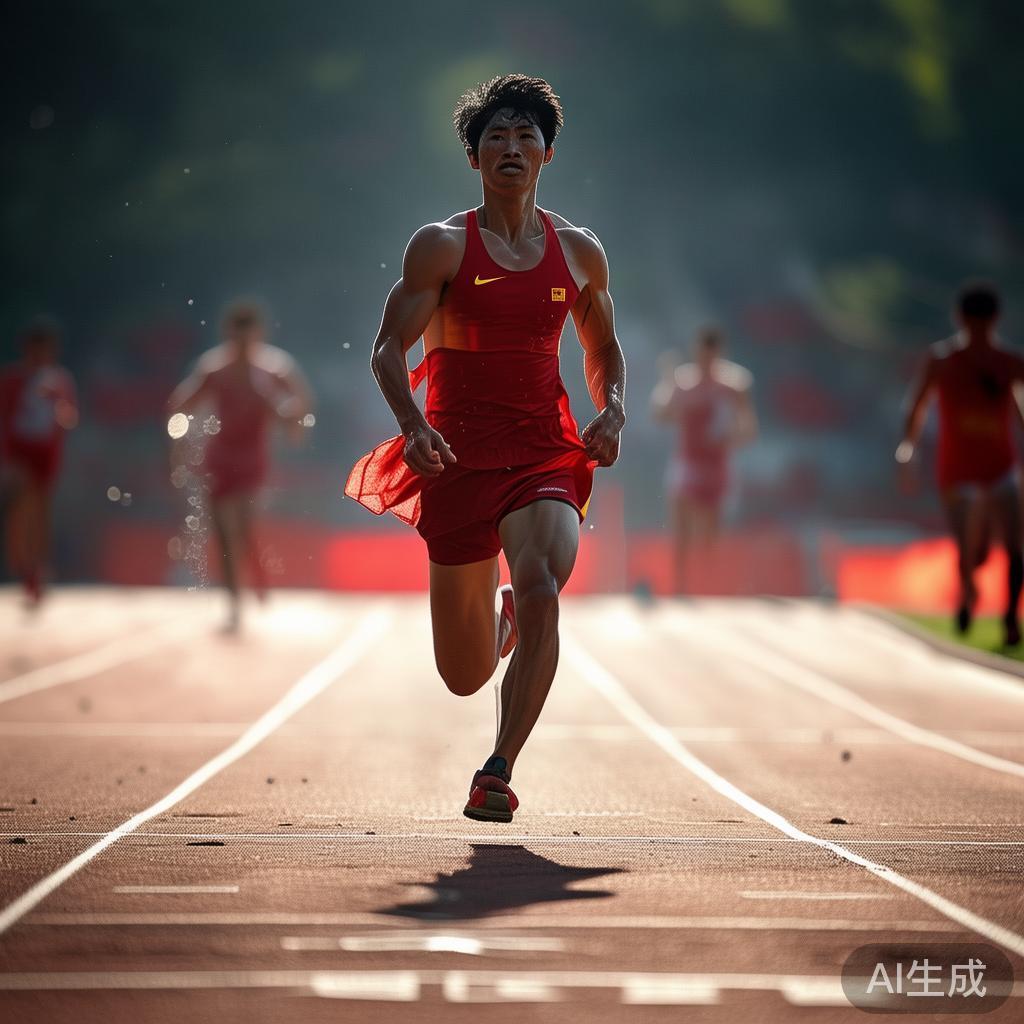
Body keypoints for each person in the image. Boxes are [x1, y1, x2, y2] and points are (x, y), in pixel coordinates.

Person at [346, 75, 626, 823]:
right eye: (496, 136)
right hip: (456, 462)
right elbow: (385, 349)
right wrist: (413, 424)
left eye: (525, 135)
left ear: (547, 154)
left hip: (543, 454)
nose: (511, 146)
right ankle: (497, 627)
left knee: (543, 590)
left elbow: (603, 348)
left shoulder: (579, 253)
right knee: (464, 675)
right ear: (474, 158)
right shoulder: (441, 247)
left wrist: (614, 411)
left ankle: (497, 769)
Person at [169, 299, 312, 631]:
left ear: (258, 335)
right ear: (228, 334)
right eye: (237, 337)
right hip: (220, 457)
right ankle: (234, 599)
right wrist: (179, 445)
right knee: (222, 530)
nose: (243, 344)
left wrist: (293, 425)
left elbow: (300, 404)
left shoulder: (275, 368)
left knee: (244, 526)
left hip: (252, 458)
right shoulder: (214, 369)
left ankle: (254, 575)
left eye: (248, 337)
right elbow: (180, 404)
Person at [897, 281, 1024, 645]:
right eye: (973, 321)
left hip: (1000, 466)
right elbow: (917, 404)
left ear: (994, 320)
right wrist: (908, 447)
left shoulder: (1010, 363)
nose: (978, 329)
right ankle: (969, 587)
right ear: (961, 320)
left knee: (1015, 544)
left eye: (984, 322)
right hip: (957, 469)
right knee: (973, 548)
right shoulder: (942, 361)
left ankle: (1010, 618)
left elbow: (1019, 408)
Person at [650, 326, 756, 593]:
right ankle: (680, 586)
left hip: (717, 466)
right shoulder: (683, 383)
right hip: (687, 462)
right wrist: (667, 383)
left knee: (710, 534)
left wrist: (729, 437)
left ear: (719, 353)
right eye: (702, 354)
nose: (707, 359)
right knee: (681, 527)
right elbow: (661, 415)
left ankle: (707, 585)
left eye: (712, 354)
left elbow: (749, 428)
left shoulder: (734, 386)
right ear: (696, 352)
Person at [0, 316, 78, 605]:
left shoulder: (60, 380)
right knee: (21, 509)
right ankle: (24, 566)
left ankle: (37, 569)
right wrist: (6, 459)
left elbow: (69, 418)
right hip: (19, 451)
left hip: (45, 452)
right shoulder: (12, 378)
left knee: (41, 511)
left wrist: (59, 405)